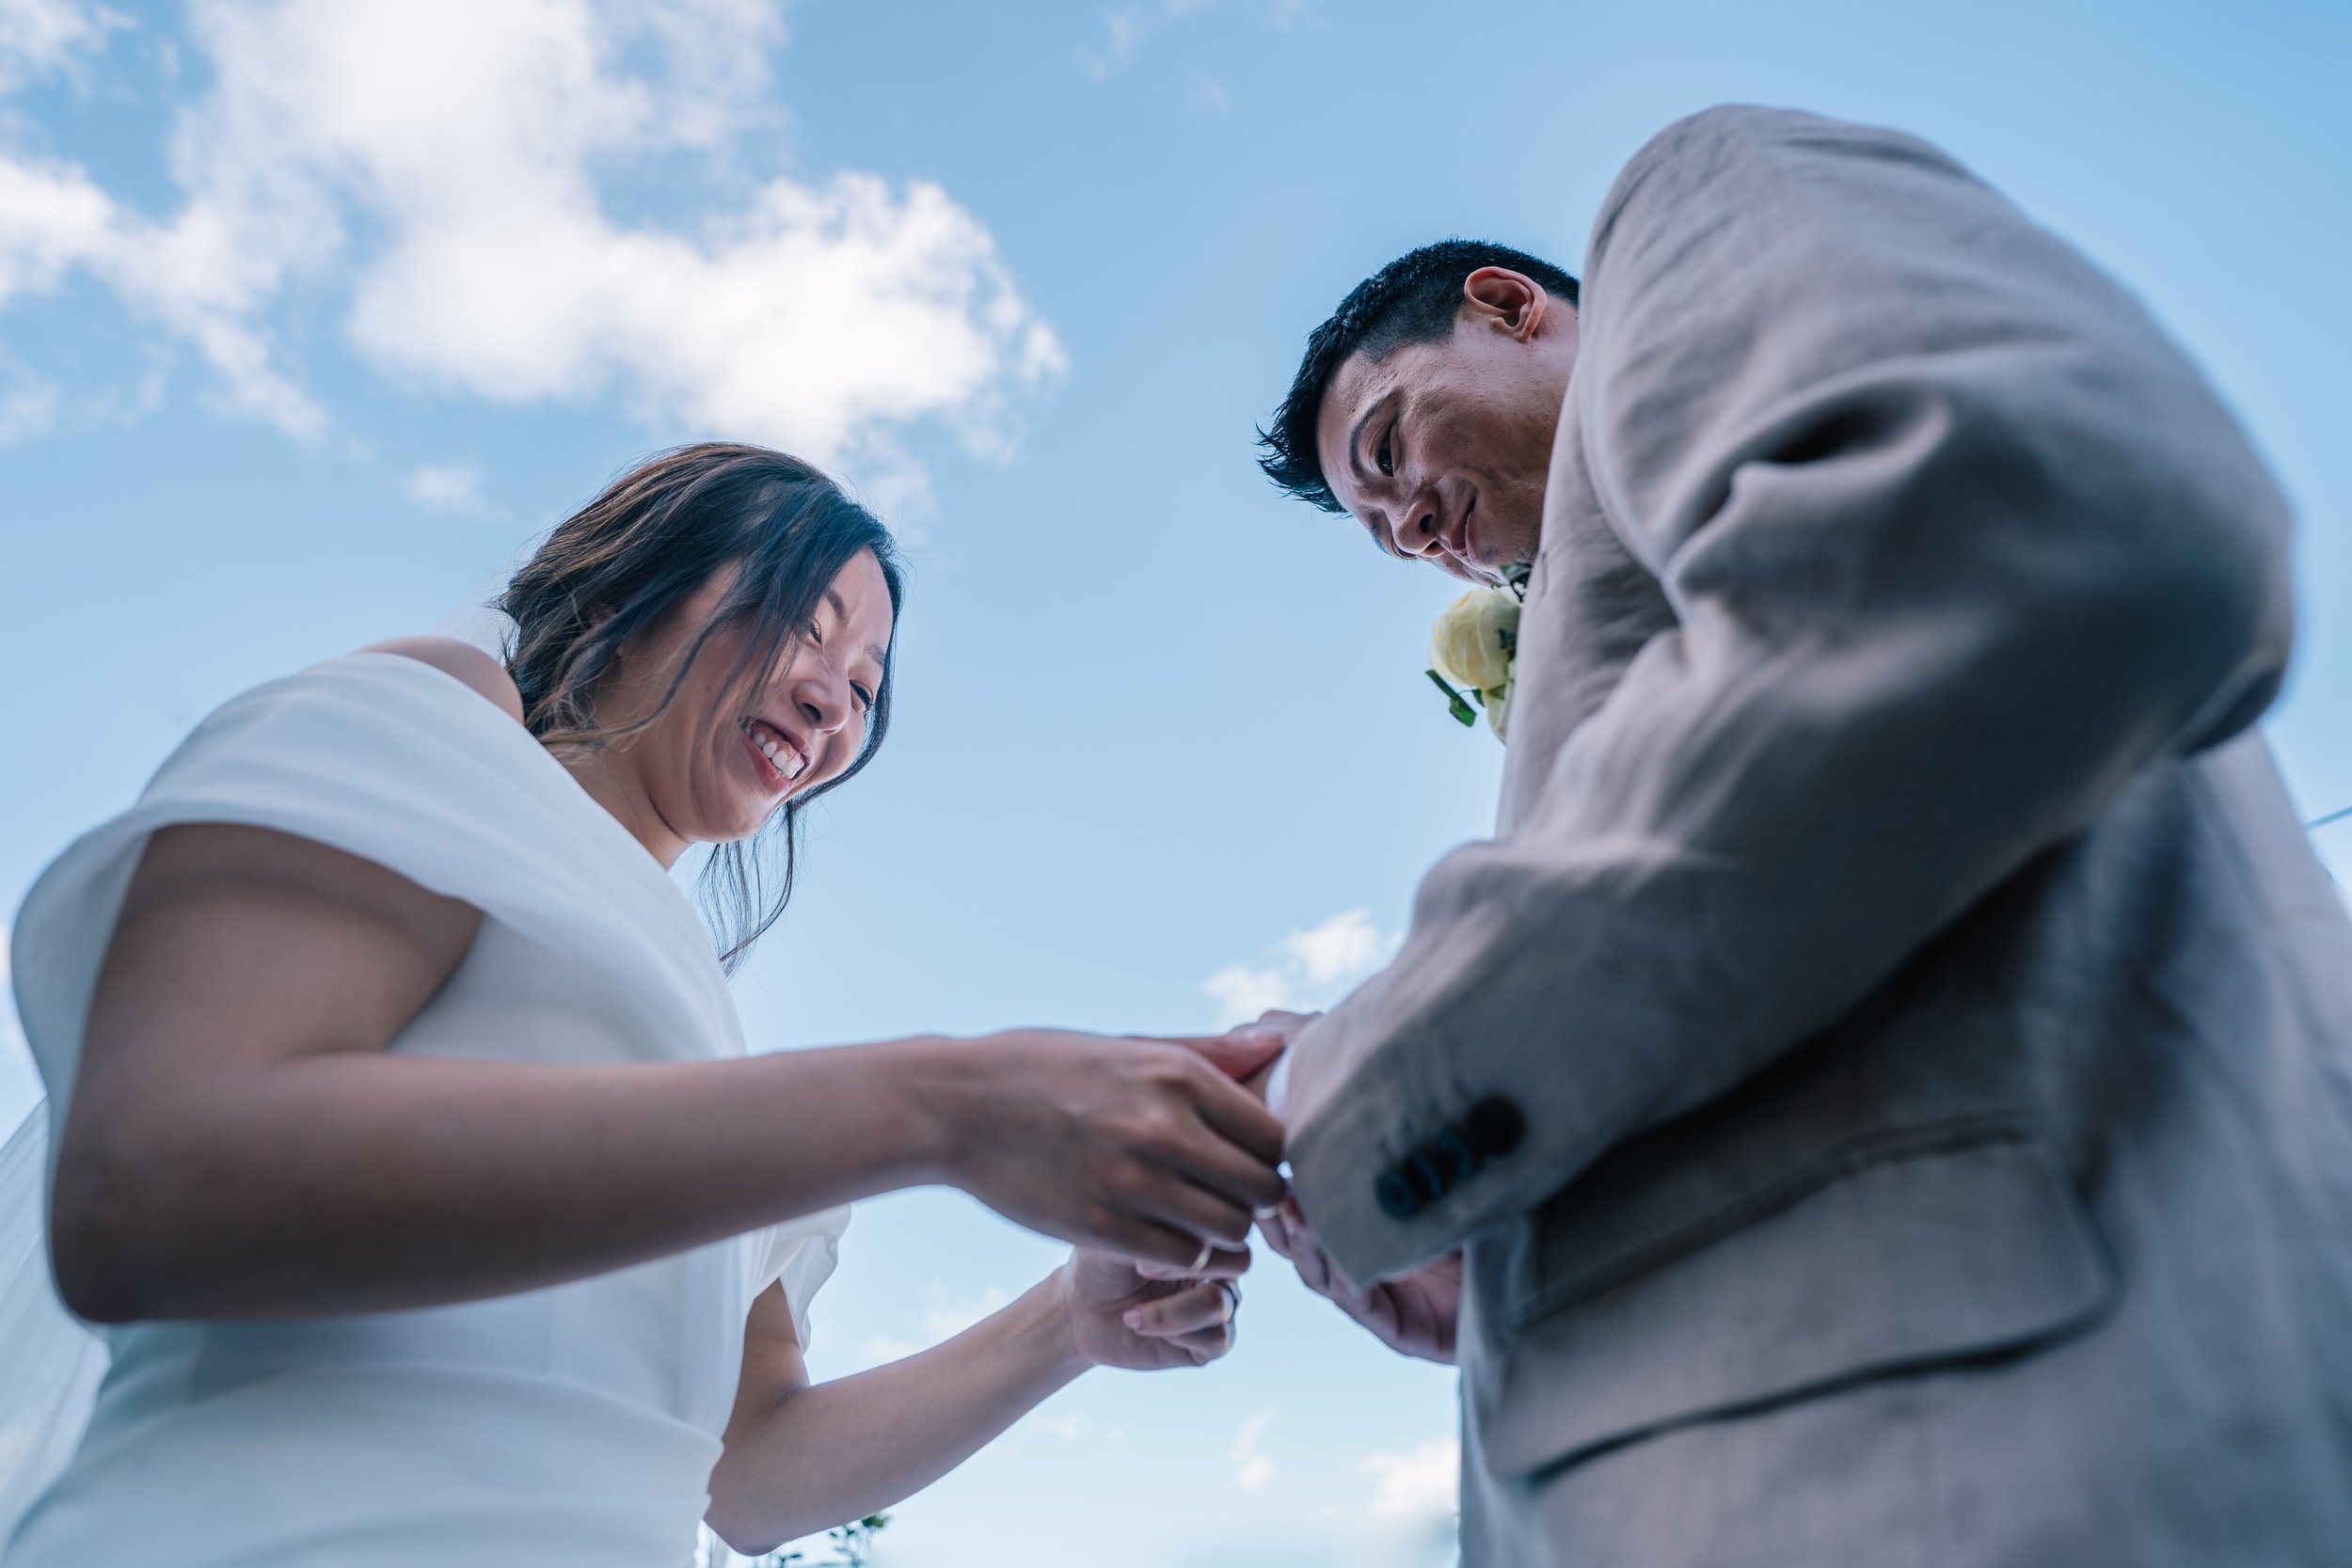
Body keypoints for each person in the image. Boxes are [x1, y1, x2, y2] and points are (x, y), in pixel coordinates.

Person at [1247, 106, 2352, 1565]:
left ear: (1511, 311)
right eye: (1374, 528)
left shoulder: (1686, 209)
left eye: (1387, 449)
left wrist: (1362, 1093)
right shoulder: (1620, 593)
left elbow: (2022, 539)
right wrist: (1531, 1234)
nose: (1405, 530)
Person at [0, 442, 1285, 1565]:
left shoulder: (712, 1064)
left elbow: (749, 1482)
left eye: (869, 682)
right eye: (804, 623)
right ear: (628, 585)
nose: (837, 695)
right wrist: (943, 1102)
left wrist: (1064, 1321)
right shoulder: (438, 716)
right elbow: (154, 1181)